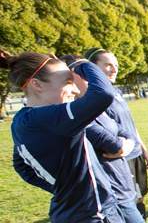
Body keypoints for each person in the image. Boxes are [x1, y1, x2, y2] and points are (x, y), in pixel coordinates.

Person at [3, 50, 125, 222]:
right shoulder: (44, 119)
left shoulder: (22, 121)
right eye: (68, 82)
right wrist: (82, 63)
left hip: (76, 212)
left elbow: (21, 165)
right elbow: (103, 94)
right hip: (91, 215)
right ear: (37, 85)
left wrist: (63, 187)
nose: (75, 90)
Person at [84, 48, 148, 219]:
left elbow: (129, 124)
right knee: (127, 199)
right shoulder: (95, 97)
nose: (114, 69)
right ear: (92, 68)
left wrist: (143, 148)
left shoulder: (116, 92)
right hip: (119, 156)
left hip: (135, 152)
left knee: (140, 193)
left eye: (115, 65)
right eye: (107, 65)